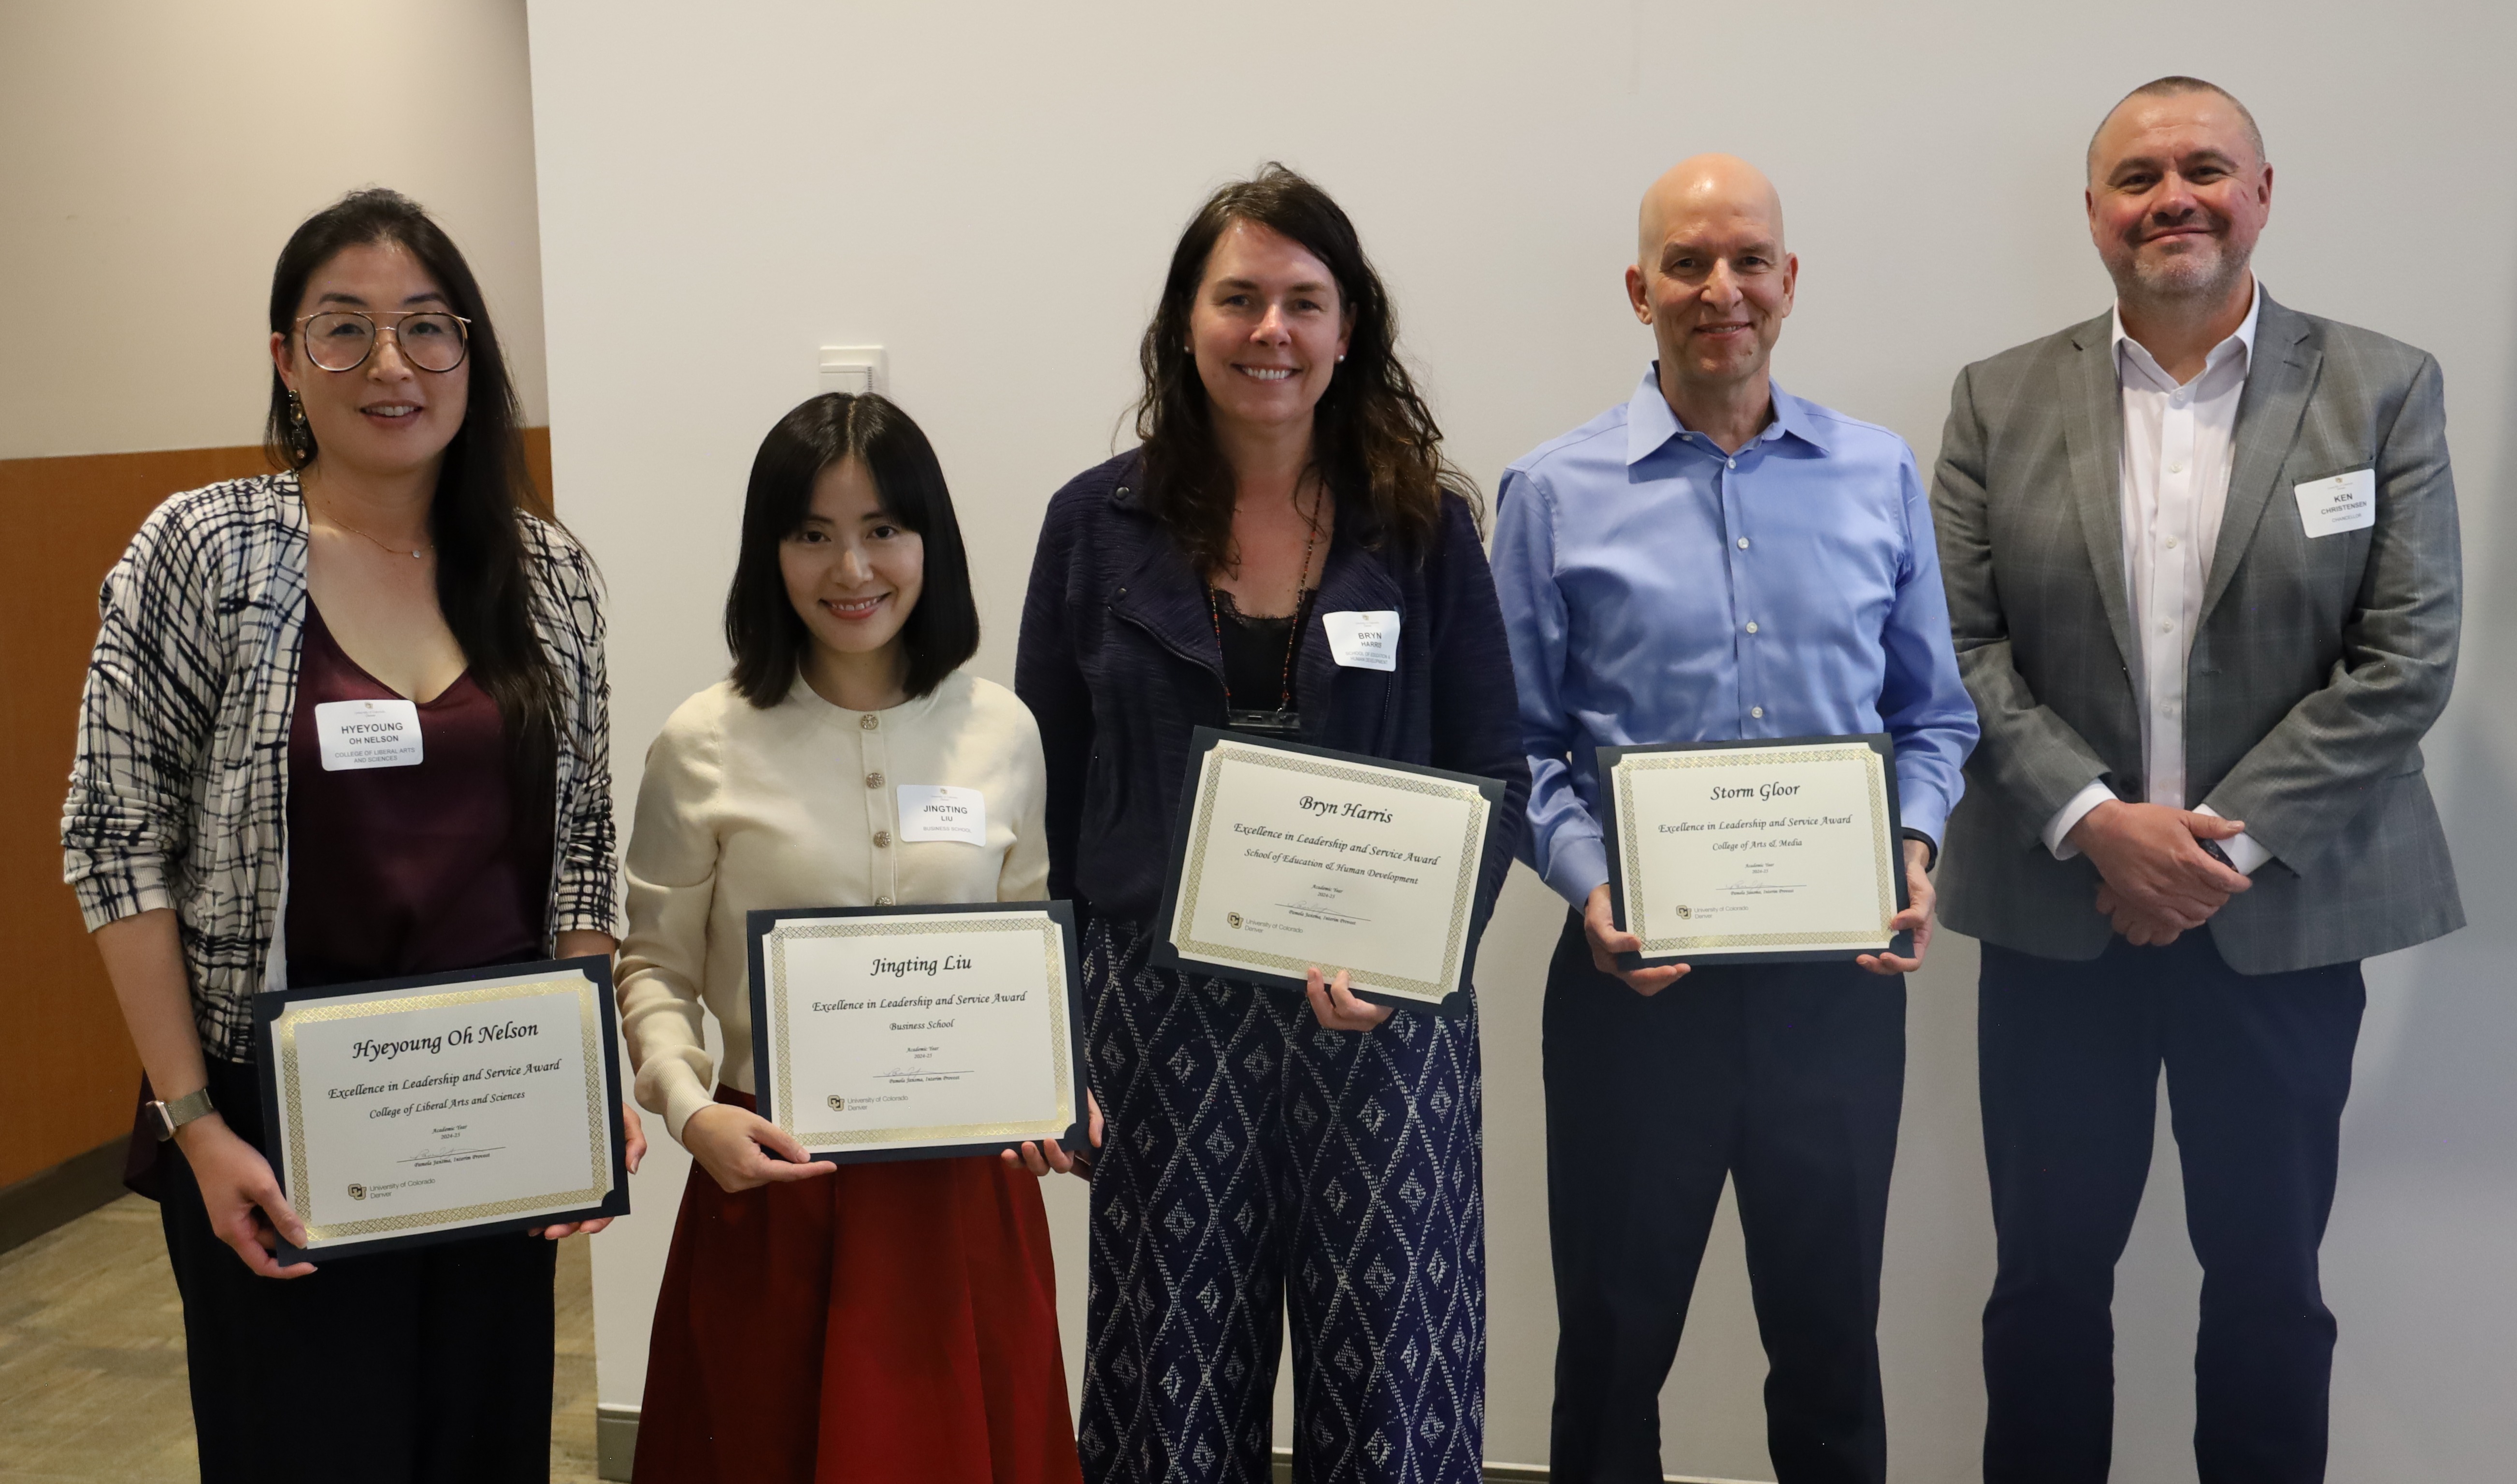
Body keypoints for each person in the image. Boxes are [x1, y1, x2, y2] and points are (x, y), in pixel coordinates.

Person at [61, 188, 639, 1483]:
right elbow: (111, 837)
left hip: (499, 1103)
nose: (392, 365)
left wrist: (586, 1077)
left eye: (429, 328)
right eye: (345, 330)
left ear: (472, 352)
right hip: (281, 1135)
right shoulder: (204, 553)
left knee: (483, 1451)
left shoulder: (549, 577)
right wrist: (196, 1122)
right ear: (285, 358)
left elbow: (586, 839)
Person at [1932, 77, 2462, 1484]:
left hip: (2281, 926)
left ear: (2264, 192)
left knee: (2270, 1286)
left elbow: (2404, 660)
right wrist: (2096, 822)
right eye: (2138, 175)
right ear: (2096, 214)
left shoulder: (2382, 385)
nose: (2175, 197)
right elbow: (1955, 643)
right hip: (2061, 915)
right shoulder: (1996, 398)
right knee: (2044, 1289)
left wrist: (2216, 854)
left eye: (2206, 169)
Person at [1016, 164, 1529, 1484]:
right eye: (1236, 297)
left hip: (1380, 1019)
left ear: (1348, 325)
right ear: (1184, 323)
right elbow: (1044, 809)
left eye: (1303, 301)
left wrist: (1423, 952)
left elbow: (1493, 768)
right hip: (1157, 1017)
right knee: (1164, 1401)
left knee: (1397, 1390)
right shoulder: (1092, 527)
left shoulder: (1424, 529)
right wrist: (1050, 1041)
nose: (1270, 331)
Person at [1492, 156, 1976, 1484]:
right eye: (1690, 265)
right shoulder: (1550, 493)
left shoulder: (1876, 475)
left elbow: (1934, 718)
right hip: (1633, 987)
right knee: (1609, 1343)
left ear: (1789, 281)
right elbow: (1518, 747)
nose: (1723, 291)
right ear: (1639, 289)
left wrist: (1913, 851)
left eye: (1749, 260)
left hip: (1835, 982)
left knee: (1830, 1343)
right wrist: (1589, 888)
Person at [617, 392, 1083, 1484]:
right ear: (767, 554)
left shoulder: (1002, 730)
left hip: (965, 1202)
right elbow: (653, 969)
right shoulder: (702, 742)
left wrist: (1058, 1087)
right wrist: (692, 1118)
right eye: (812, 535)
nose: (852, 569)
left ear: (931, 541)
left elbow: (1030, 955)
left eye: (883, 529)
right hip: (772, 1185)